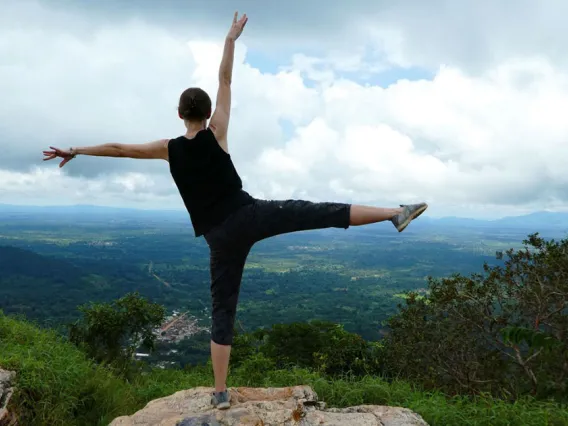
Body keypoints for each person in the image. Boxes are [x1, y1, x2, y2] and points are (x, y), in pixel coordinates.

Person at [42, 11, 428, 410]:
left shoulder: (168, 148)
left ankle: (221, 393)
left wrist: (75, 149)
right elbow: (225, 80)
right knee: (317, 212)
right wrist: (230, 40)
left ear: (179, 115)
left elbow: (119, 149)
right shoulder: (218, 131)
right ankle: (393, 213)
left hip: (220, 238)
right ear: (206, 114)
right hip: (251, 215)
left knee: (222, 309)